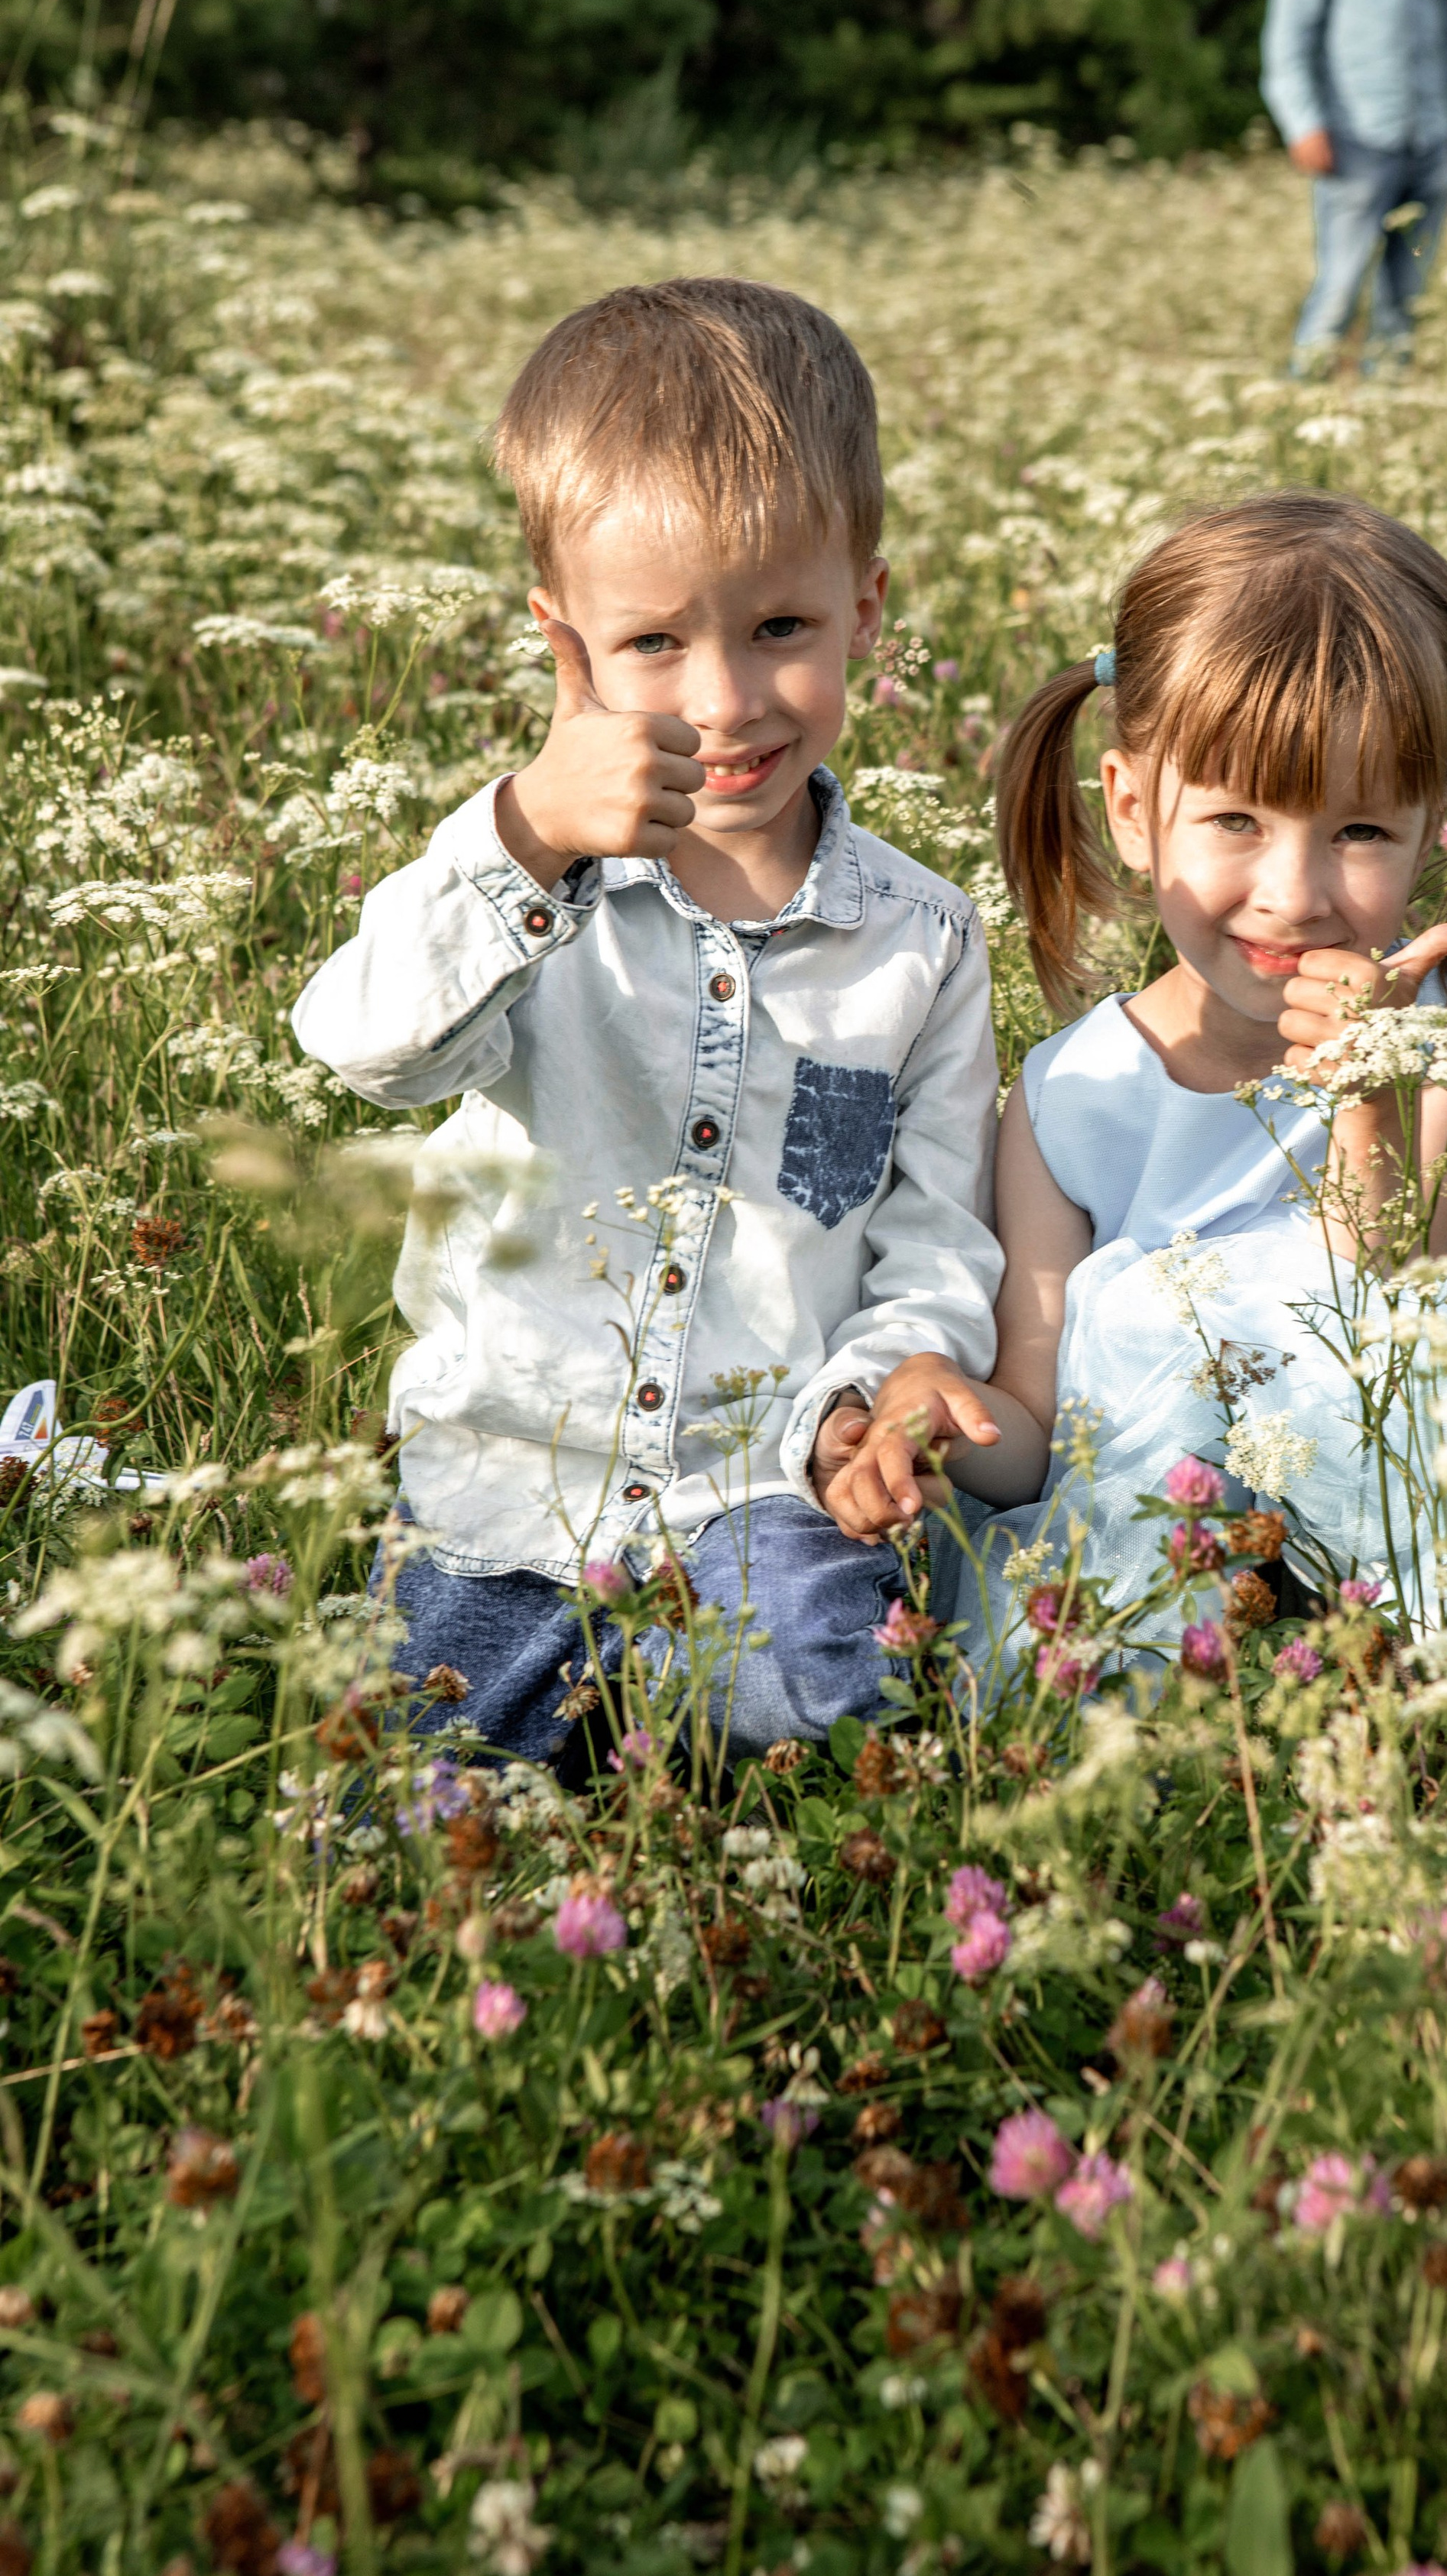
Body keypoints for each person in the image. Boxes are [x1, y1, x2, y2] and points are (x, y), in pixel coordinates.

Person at [824, 494, 1447, 1738]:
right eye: (1236, 821)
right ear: (1135, 810)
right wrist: (944, 1421)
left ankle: (1429, 1695)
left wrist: (1366, 1088)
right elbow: (1041, 1440)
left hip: (1438, 1490)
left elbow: (1388, 1277)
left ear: (1435, 830)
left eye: (1360, 830)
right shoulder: (1064, 1097)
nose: (1295, 890)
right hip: (1189, 1526)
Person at [292, 278, 1003, 1764]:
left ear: (865, 604)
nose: (727, 698)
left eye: (781, 626)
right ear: (566, 646)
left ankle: (670, 1726)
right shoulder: (525, 879)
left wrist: (867, 1405)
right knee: (412, 1806)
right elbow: (363, 1048)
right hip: (504, 1497)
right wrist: (526, 833)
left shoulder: (918, 942)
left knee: (849, 1689)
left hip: (755, 1494)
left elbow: (932, 1237)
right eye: (656, 644)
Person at [1259, 0, 1447, 375]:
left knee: (1405, 311)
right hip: (1356, 138)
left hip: (1430, 137)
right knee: (1337, 299)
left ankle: (1386, 429)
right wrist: (1302, 122)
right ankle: (1299, 417)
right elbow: (1289, 25)